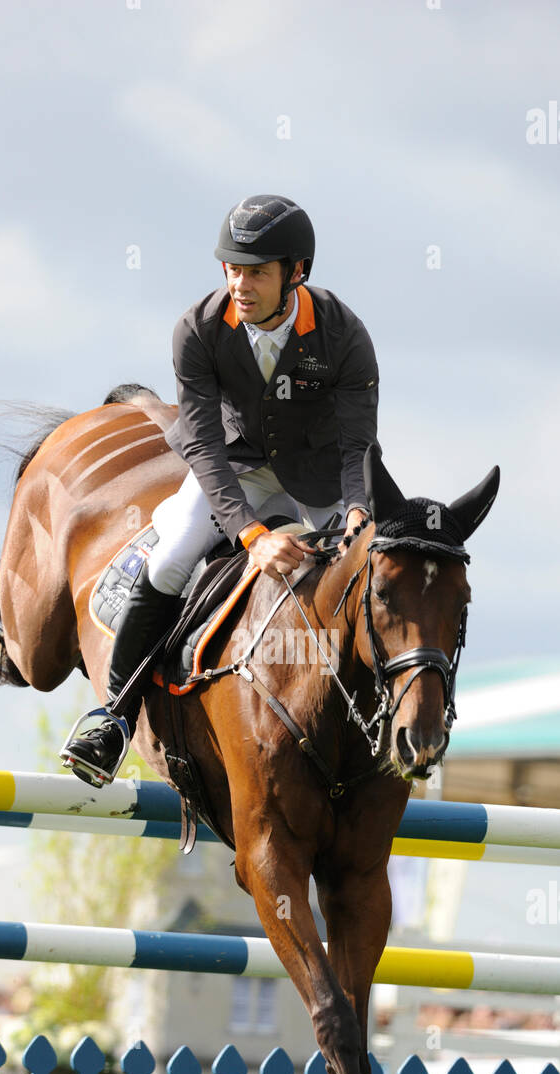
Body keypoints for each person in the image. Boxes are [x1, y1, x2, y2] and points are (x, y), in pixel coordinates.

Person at [62, 193, 380, 786]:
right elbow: (203, 447)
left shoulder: (343, 334)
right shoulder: (199, 330)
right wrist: (253, 536)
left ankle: (382, 722)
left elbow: (359, 442)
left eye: (257, 271)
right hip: (233, 473)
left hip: (317, 482)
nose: (240, 283)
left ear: (297, 273)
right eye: (232, 268)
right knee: (172, 554)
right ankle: (114, 717)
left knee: (373, 571)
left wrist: (360, 510)